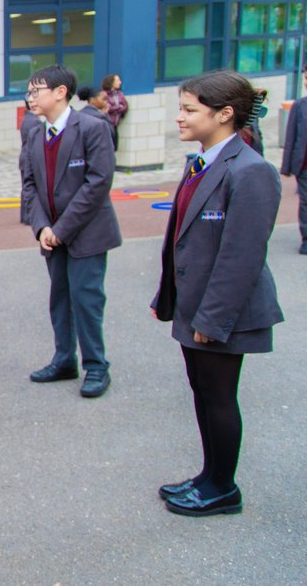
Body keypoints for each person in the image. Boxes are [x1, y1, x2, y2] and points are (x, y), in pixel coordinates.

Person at [151, 70, 283, 517]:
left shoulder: (252, 172)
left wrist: (211, 320)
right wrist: (167, 296)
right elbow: (182, 239)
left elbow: (240, 259)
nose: (180, 118)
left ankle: (223, 488)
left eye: (189, 109)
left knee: (220, 396)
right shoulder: (201, 161)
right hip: (195, 306)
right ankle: (208, 477)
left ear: (224, 114)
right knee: (202, 391)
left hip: (221, 312)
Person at [20, 65, 121, 398]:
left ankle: (96, 366)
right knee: (60, 298)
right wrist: (42, 227)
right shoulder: (34, 131)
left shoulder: (92, 127)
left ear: (61, 92)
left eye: (36, 91)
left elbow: (98, 184)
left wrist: (60, 229)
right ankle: (65, 359)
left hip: (86, 234)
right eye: (30, 91)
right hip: (51, 234)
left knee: (86, 299)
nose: (30, 97)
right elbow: (30, 185)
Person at [279, 67, 307, 254]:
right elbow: (291, 136)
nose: (305, 81)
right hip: (304, 164)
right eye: (306, 77)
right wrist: (287, 165)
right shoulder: (299, 105)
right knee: (306, 202)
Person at [19, 100, 41, 225]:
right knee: (30, 187)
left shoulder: (27, 119)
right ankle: (29, 216)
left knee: (26, 187)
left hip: (24, 157)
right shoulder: (34, 121)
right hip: (29, 158)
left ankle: (25, 216)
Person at [78, 85, 116, 151]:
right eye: (104, 99)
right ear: (92, 100)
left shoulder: (78, 114)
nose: (107, 102)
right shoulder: (100, 118)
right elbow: (112, 138)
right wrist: (105, 115)